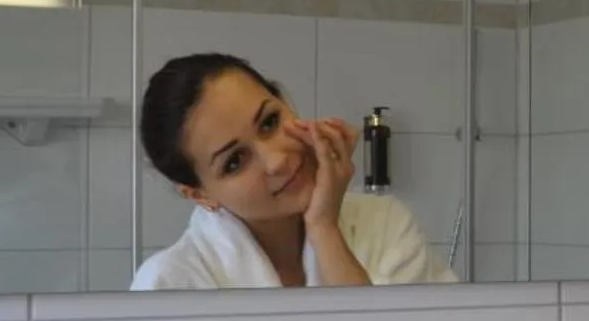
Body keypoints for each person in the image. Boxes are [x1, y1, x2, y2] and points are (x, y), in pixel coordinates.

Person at [132, 52, 454, 290]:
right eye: (235, 162)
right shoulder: (170, 284)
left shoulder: (384, 225)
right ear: (199, 193)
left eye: (270, 122)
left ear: (284, 102)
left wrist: (324, 228)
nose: (278, 161)